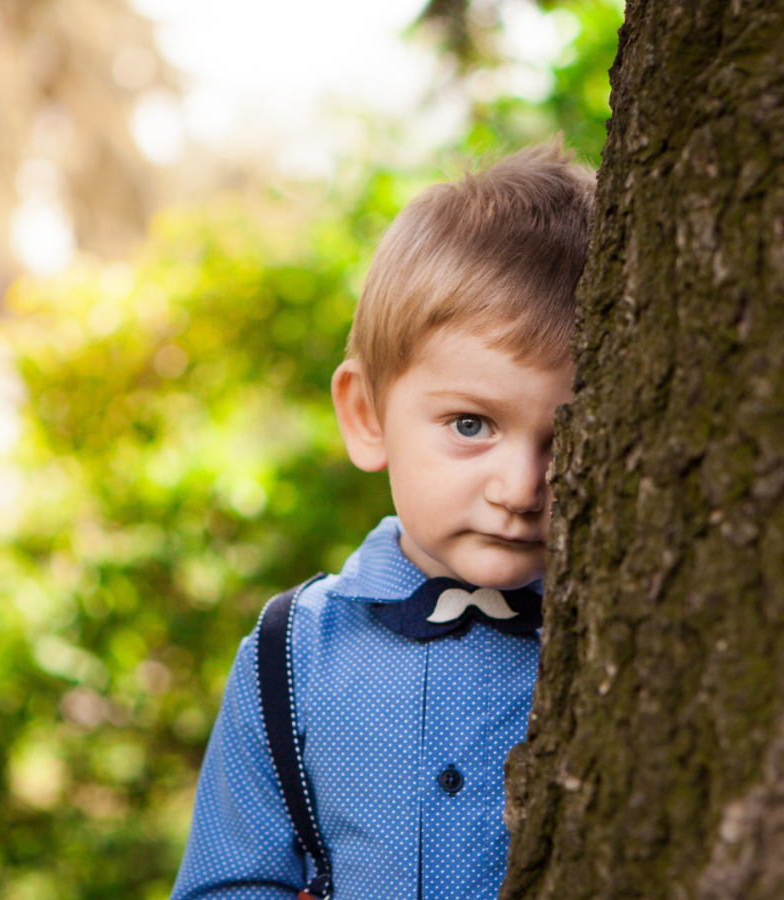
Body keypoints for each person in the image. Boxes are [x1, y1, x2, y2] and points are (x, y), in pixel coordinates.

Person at [170, 141, 595, 900]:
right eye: (471, 425)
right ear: (366, 416)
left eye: (566, 439)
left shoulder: (614, 639)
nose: (522, 487)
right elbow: (228, 882)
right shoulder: (290, 655)